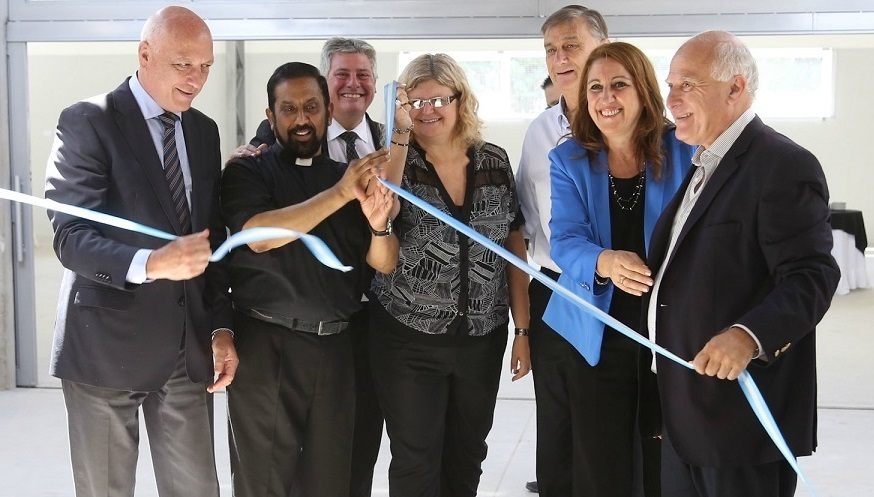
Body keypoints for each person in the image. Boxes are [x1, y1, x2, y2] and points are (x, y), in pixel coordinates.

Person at [43, 6, 237, 497]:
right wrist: (151, 263)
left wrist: (219, 326)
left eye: (207, 66)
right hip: (104, 351)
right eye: (184, 64)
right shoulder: (87, 121)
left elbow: (206, 240)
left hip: (183, 351)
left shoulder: (203, 131)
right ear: (145, 54)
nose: (197, 79)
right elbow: (70, 236)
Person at [644, 31, 840, 497]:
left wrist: (748, 336)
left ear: (736, 88)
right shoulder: (700, 165)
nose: (671, 100)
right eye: (669, 86)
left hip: (741, 424)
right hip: (685, 414)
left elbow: (813, 275)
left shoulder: (782, 164)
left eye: (687, 85)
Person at [220, 61, 399, 497]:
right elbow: (258, 237)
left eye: (312, 107)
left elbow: (383, 263)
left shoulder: (348, 177)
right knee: (262, 483)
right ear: (270, 116)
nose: (301, 119)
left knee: (330, 481)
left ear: (328, 110)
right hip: (267, 347)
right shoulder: (249, 170)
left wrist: (378, 225)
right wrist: (341, 193)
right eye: (288, 109)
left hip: (336, 350)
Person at [368, 53, 531, 497]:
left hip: (481, 338)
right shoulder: (396, 161)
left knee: (466, 456)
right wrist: (399, 131)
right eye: (416, 102)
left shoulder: (494, 161)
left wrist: (522, 328)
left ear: (462, 100)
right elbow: (386, 209)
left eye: (439, 98)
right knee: (416, 460)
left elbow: (514, 246)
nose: (428, 110)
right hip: (407, 338)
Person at [541, 42, 695, 497]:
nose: (606, 98)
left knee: (665, 452)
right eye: (596, 88)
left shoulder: (685, 149)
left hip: (668, 327)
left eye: (619, 85)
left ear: (644, 91)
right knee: (600, 459)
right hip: (596, 327)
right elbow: (565, 240)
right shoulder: (567, 159)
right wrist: (605, 260)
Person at [514, 5, 609, 496]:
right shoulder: (539, 131)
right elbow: (526, 225)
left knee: (606, 425)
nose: (560, 58)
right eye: (551, 49)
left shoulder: (638, 124)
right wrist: (523, 324)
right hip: (554, 289)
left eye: (571, 44)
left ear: (603, 47)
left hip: (618, 293)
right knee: (555, 424)